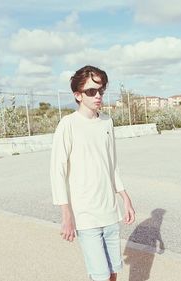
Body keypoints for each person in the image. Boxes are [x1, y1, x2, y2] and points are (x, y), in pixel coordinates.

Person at [50, 65, 136, 281]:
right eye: (91, 91)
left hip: (109, 211)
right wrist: (66, 215)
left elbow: (112, 163)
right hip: (85, 215)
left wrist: (125, 197)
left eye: (101, 90)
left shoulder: (107, 121)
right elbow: (57, 171)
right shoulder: (67, 125)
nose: (98, 96)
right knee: (100, 275)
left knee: (113, 272)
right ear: (78, 95)